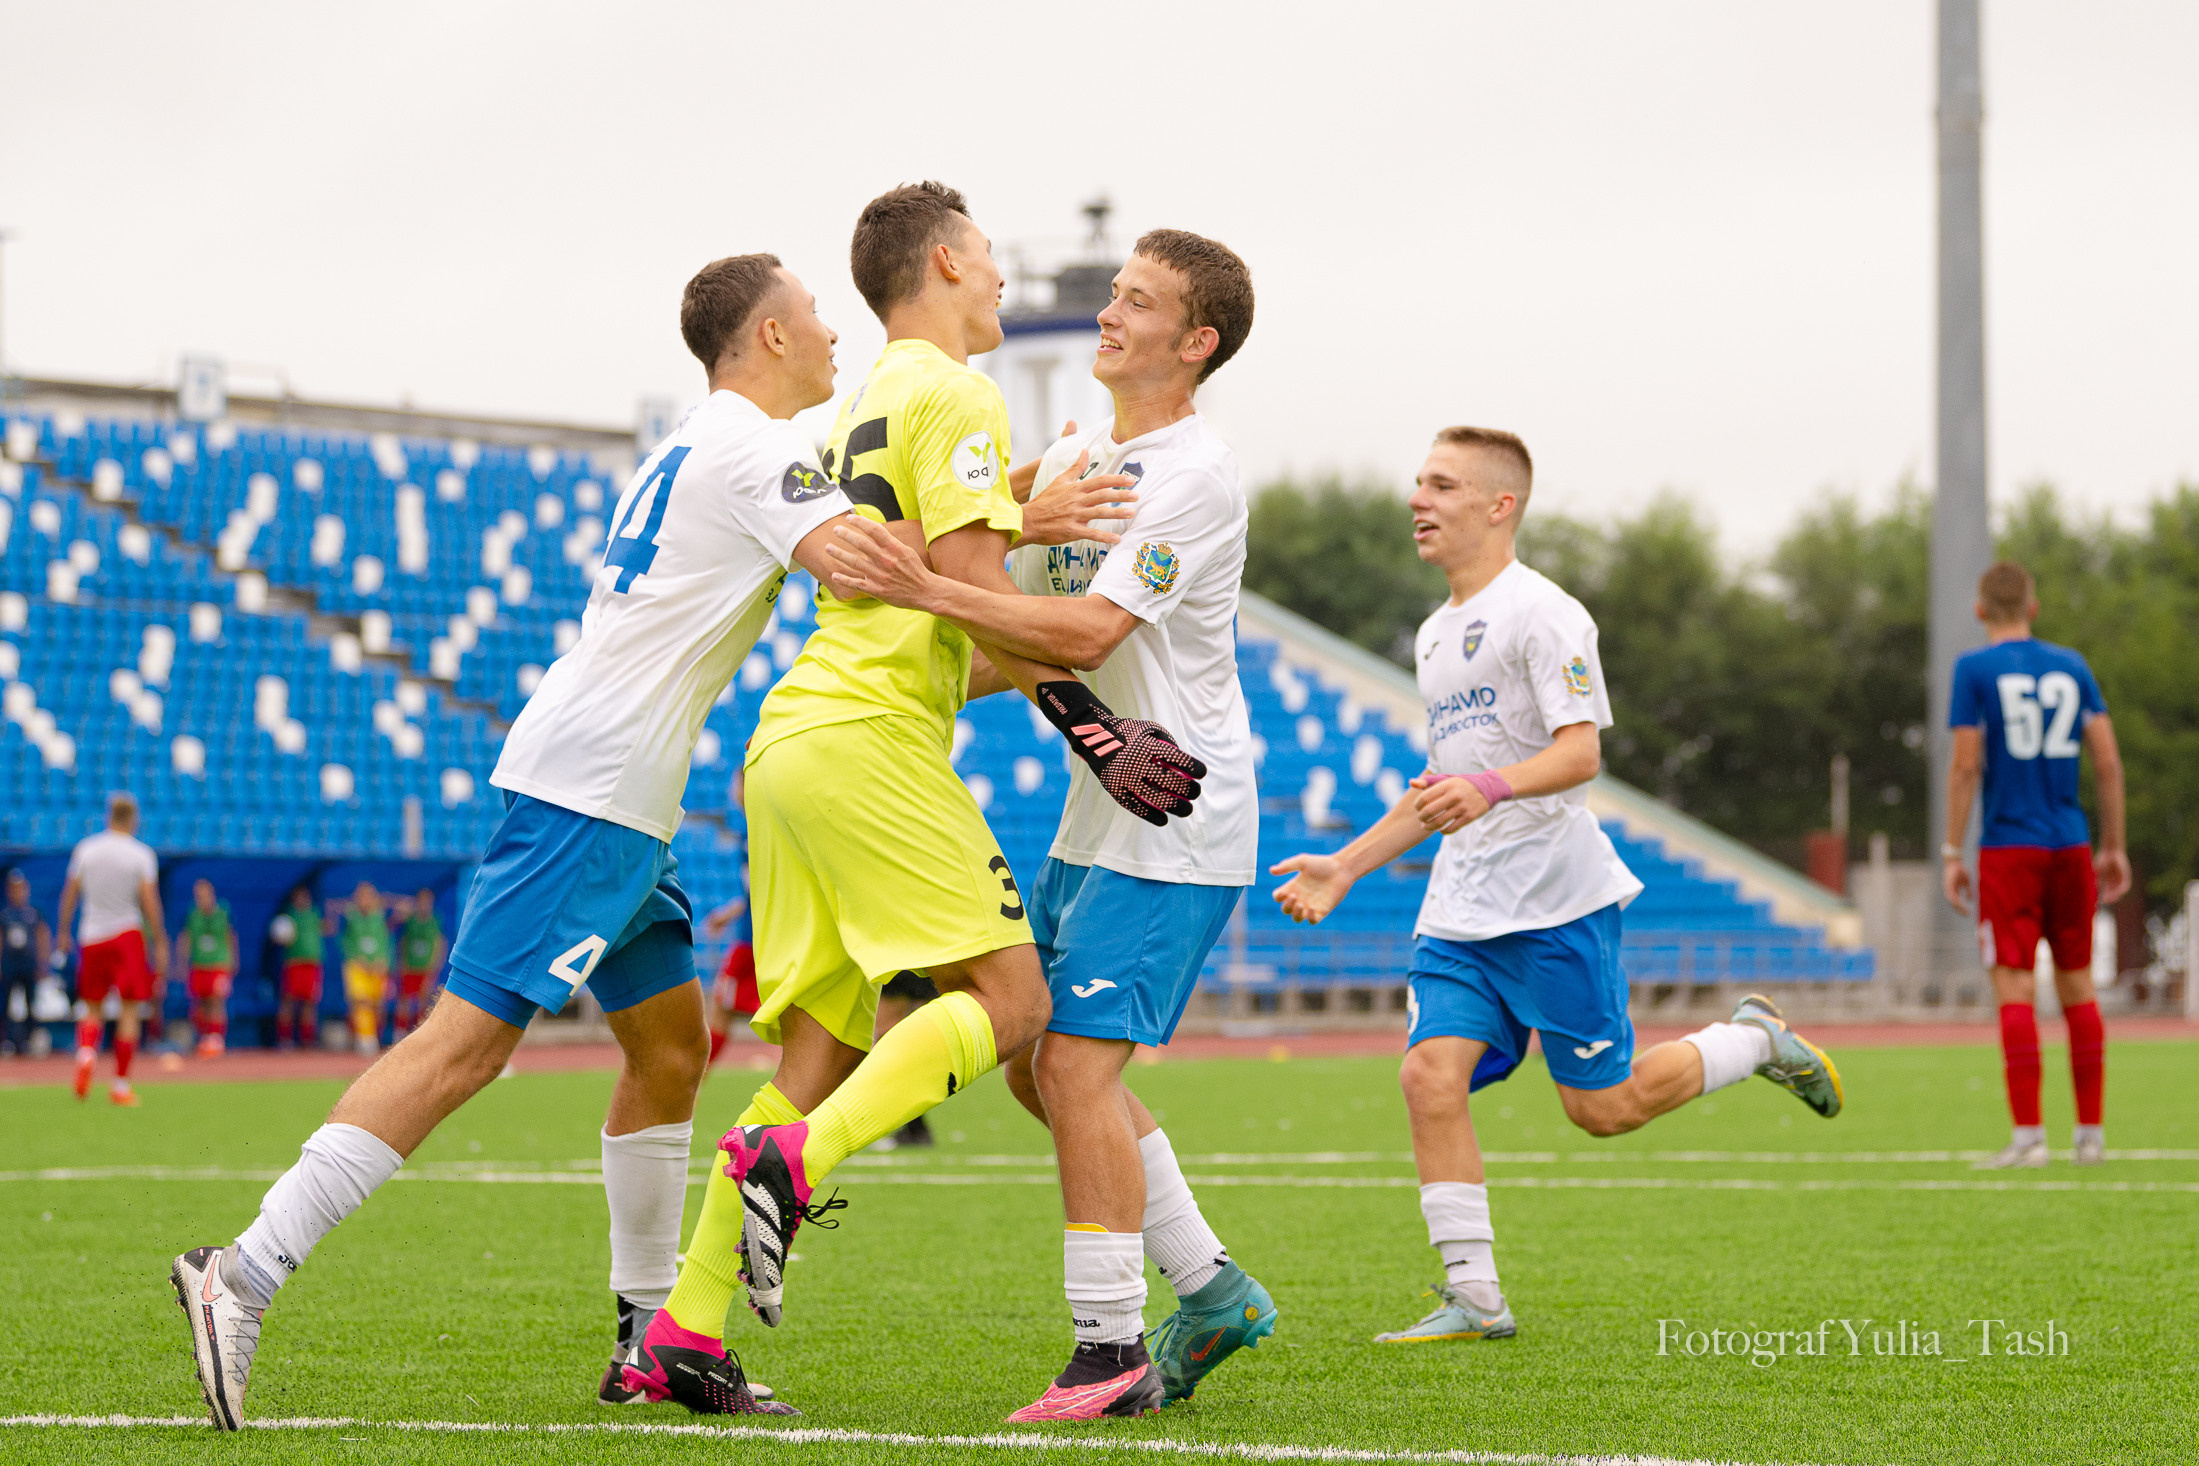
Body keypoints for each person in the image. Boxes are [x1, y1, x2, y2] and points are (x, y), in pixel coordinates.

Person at [172, 251, 888, 1428]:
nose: (831, 337)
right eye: (813, 318)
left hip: (616, 792)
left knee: (671, 1047)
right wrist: (1012, 527)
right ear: (764, 335)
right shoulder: (758, 448)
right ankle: (242, 1270)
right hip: (593, 792)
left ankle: (648, 1338)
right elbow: (858, 562)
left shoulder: (701, 442)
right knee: (464, 1048)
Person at [634, 182, 1208, 1403]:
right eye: (991, 258)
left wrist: (1018, 521)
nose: (1001, 279)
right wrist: (1094, 720)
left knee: (821, 1045)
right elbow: (966, 593)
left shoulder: (865, 400)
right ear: (947, 262)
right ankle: (796, 1161)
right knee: (1012, 1001)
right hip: (870, 740)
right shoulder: (958, 393)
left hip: (794, 740)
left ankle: (684, 1322)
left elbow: (939, 615)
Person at [1268, 427, 1844, 1347]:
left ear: (1500, 506)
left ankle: (1750, 1041)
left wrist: (1486, 788)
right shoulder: (1432, 634)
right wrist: (1345, 864)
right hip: (1459, 910)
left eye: (1442, 485)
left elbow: (1580, 755)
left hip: (1554, 906)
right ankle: (1474, 1295)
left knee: (1602, 1111)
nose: (1418, 499)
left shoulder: (1546, 614)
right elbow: (1440, 786)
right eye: (1418, 482)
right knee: (1428, 1075)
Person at [825, 228, 1268, 1419]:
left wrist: (920, 584)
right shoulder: (1078, 452)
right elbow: (1009, 641)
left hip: (1175, 809)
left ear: (1198, 341)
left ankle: (1109, 1348)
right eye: (1114, 292)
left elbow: (1078, 638)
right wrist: (916, 656)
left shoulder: (1196, 476)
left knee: (1073, 1062)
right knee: (1037, 1068)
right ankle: (1213, 1289)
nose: (1112, 313)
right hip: (1098, 807)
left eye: (1140, 302)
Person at [1943, 560, 2128, 1170]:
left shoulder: (1973, 669)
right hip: (2070, 844)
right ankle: (2091, 1136)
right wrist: (2113, 845)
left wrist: (1951, 850)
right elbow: (2106, 762)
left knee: (2014, 987)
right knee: (2077, 985)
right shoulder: (2073, 666)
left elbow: (1967, 766)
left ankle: (2029, 1138)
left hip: (2009, 849)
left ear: (1978, 610)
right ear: (2033, 606)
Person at [58, 793, 166, 1106]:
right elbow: (149, 900)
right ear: (133, 819)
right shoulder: (140, 855)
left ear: (108, 816)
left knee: (92, 1007)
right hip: (126, 934)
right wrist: (159, 940)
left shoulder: (86, 850)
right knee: (129, 1009)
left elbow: (70, 894)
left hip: (91, 935)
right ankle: (119, 1085)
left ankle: (87, 1054)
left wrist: (64, 932)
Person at [333, 883, 395, 1055]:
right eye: (361, 896)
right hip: (357, 966)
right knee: (360, 1001)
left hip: (377, 966)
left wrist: (382, 960)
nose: (365, 900)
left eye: (368, 896)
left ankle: (375, 1036)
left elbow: (384, 941)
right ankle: (363, 1038)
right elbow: (343, 940)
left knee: (378, 1004)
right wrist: (355, 958)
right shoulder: (350, 916)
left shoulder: (379, 916)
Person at [698, 890, 757, 1067]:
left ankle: (692, 1082)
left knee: (720, 1013)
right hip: (775, 947)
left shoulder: (751, 860)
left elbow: (757, 889)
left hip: (750, 948)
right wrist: (727, 914)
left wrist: (727, 914)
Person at [179, 879, 237, 1058]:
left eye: (204, 894)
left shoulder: (223, 912)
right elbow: (185, 938)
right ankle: (203, 1039)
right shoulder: (192, 914)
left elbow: (231, 936)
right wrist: (182, 963)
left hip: (218, 963)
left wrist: (233, 960)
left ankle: (217, 1040)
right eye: (198, 895)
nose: (201, 899)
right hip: (198, 964)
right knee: (200, 1003)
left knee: (216, 1001)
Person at [2, 869, 52, 1058]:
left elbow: (42, 936)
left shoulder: (33, 912)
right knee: (6, 1004)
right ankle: (8, 1041)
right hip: (9, 964)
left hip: (28, 964)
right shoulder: (5, 914)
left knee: (30, 1003)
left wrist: (43, 962)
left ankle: (29, 1040)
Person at [271, 887, 325, 1051]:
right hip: (294, 964)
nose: (302, 900)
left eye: (304, 897)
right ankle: (285, 1039)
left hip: (312, 964)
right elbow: (279, 936)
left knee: (310, 1003)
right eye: (298, 898)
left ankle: (307, 1041)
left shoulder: (315, 914)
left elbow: (327, 928)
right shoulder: (289, 917)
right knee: (288, 1001)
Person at [393, 889, 446, 1036]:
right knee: (405, 1000)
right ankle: (400, 1032)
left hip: (426, 967)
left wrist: (436, 965)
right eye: (421, 901)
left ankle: (420, 1033)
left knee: (424, 999)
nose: (424, 904)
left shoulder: (436, 920)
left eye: (427, 901)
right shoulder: (409, 920)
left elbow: (440, 943)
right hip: (410, 966)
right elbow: (401, 940)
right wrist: (401, 962)